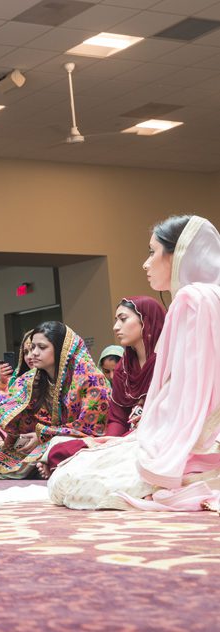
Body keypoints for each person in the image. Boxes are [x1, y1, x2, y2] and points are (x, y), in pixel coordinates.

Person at [49, 215, 220, 510]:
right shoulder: (211, 296)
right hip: (201, 430)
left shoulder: (191, 299)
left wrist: (150, 437)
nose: (146, 263)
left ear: (177, 254)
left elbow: (190, 392)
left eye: (152, 252)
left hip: (196, 436)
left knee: (72, 481)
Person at [42, 297, 166, 476]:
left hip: (159, 438)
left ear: (146, 320)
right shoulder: (124, 368)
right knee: (60, 450)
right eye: (116, 320)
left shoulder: (167, 361)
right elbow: (118, 417)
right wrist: (111, 441)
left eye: (123, 319)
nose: (116, 327)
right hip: (128, 437)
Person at [0, 321, 110, 478]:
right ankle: (46, 463)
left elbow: (92, 429)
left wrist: (43, 435)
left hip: (83, 440)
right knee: (13, 448)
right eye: (32, 347)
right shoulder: (34, 377)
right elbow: (4, 403)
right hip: (49, 437)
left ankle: (50, 464)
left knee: (60, 446)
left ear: (61, 349)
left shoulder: (90, 378)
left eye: (41, 347)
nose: (34, 353)